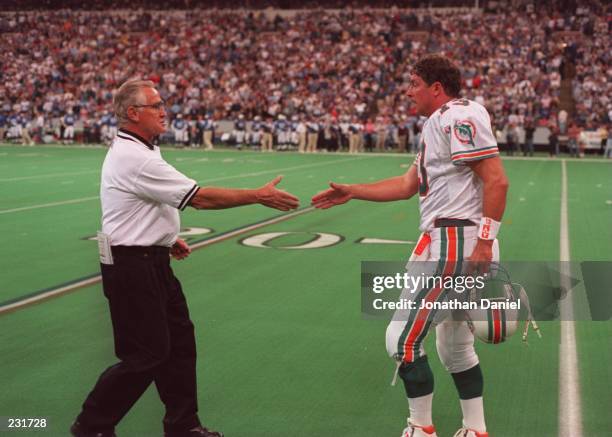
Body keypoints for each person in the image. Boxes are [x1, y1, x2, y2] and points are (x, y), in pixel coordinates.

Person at [70, 80, 299, 437]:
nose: (165, 111)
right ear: (133, 113)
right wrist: (258, 196)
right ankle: (92, 424)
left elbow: (139, 202)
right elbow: (200, 198)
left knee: (178, 345)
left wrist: (163, 238)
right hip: (133, 265)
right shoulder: (135, 156)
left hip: (149, 258)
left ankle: (183, 425)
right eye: (156, 105)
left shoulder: (141, 149)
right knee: (146, 354)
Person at [312, 55, 508, 437]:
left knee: (401, 340)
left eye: (414, 83)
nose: (407, 91)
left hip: (454, 242)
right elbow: (406, 186)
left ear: (437, 88)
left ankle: (421, 428)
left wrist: (485, 241)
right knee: (454, 347)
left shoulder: (456, 115)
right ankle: (475, 430)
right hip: (454, 240)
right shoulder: (438, 123)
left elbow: (497, 180)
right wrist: (352, 191)